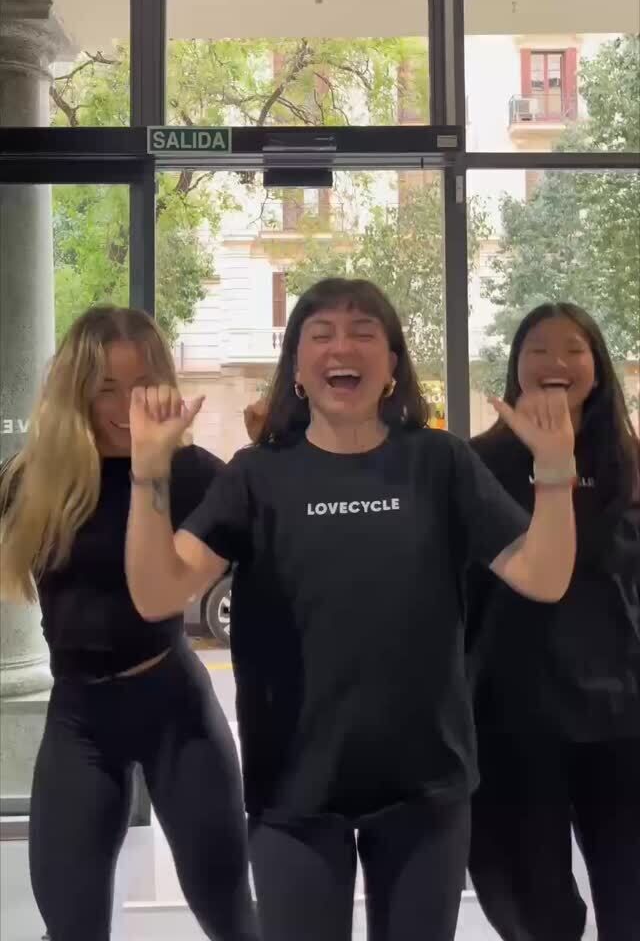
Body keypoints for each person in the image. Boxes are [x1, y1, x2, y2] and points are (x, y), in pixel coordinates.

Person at [124, 277, 578, 941]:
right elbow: (157, 592)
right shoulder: (256, 476)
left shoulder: (440, 462)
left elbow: (544, 576)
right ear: (297, 368)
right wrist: (148, 473)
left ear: (392, 365)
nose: (343, 347)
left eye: (364, 333)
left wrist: (556, 470)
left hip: (425, 786)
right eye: (322, 334)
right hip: (295, 787)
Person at [0, 306, 258, 941]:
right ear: (75, 390)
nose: (125, 407)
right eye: (106, 388)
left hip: (174, 706)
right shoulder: (31, 480)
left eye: (141, 386)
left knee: (229, 915)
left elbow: (277, 538)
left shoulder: (192, 474)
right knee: (70, 923)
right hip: (79, 717)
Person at [466, 303, 640, 941]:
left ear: (597, 365)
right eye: (537, 349)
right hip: (513, 721)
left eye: (573, 349)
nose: (555, 362)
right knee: (534, 908)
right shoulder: (479, 463)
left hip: (620, 719)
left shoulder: (629, 462)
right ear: (516, 365)